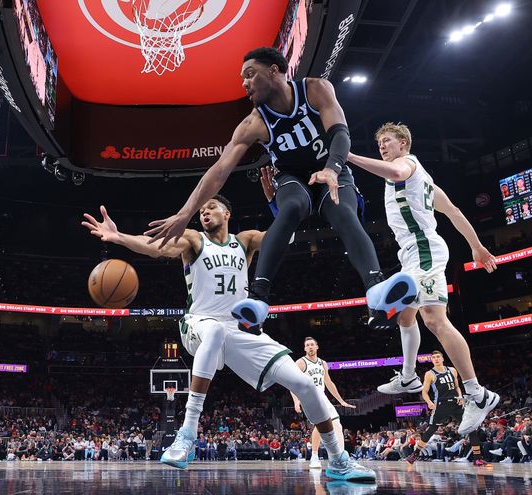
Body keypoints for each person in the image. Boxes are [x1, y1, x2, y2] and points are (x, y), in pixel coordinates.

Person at [82, 198, 374, 481]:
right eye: (201, 209)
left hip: (239, 331)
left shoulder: (244, 240)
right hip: (199, 323)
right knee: (215, 330)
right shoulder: (194, 240)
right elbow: (157, 248)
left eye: (211, 207)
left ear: (227, 213)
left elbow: (282, 238)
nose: (204, 212)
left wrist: (281, 206)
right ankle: (187, 435)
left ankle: (338, 460)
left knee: (306, 384)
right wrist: (118, 236)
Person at [145, 46, 416, 334]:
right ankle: (258, 301)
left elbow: (340, 133)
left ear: (274, 71)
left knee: (343, 211)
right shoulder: (253, 123)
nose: (245, 83)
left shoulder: (315, 89)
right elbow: (219, 171)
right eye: (242, 79)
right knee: (290, 209)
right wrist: (184, 214)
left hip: (331, 170)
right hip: (292, 179)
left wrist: (332, 169)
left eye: (250, 75)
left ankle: (376, 291)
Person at [348, 122, 499, 435]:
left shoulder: (407, 166)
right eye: (379, 144)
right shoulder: (424, 180)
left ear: (404, 143)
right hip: (412, 254)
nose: (382, 147)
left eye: (387, 142)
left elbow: (396, 172)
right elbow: (454, 211)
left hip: (424, 251)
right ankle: (408, 376)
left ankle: (476, 393)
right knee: (405, 315)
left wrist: (348, 156)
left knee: (434, 321)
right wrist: (477, 246)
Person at [290, 337, 355, 469]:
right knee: (321, 425)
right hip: (309, 396)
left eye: (312, 344)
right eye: (307, 345)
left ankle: (340, 458)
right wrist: (296, 401)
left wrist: (341, 401)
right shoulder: (301, 362)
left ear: (317, 347)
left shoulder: (323, 363)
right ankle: (314, 456)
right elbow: (292, 383)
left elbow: (329, 383)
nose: (310, 347)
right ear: (304, 348)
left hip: (322, 396)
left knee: (337, 424)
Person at [405, 351, 463, 464]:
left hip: (455, 403)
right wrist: (429, 402)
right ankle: (415, 454)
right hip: (440, 404)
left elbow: (457, 387)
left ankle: (478, 457)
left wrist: (460, 396)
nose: (436, 359)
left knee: (469, 426)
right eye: (433, 358)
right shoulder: (430, 374)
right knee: (431, 429)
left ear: (442, 358)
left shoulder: (452, 370)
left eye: (438, 357)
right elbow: (424, 392)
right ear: (432, 360)